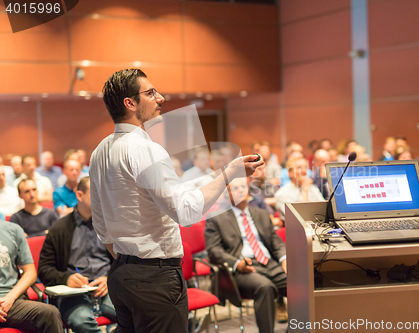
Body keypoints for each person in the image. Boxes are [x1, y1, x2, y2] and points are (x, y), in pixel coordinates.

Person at [89, 68, 263, 333]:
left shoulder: (100, 150)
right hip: (154, 278)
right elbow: (185, 211)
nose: (160, 98)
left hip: (122, 274)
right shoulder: (146, 149)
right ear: (130, 103)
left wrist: (130, 261)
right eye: (150, 93)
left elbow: (101, 225)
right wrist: (229, 173)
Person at [205, 177, 287, 333]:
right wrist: (237, 263)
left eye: (243, 186)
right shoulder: (217, 218)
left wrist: (284, 259)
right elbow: (214, 251)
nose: (241, 190)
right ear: (226, 194)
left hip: (268, 263)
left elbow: (275, 242)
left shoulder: (261, 214)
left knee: (301, 283)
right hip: (243, 268)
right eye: (235, 188)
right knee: (265, 287)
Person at [38, 177, 116, 333]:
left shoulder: (109, 225)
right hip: (73, 293)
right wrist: (66, 278)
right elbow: (44, 269)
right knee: (82, 322)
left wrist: (109, 278)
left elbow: (122, 260)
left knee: (138, 314)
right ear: (79, 196)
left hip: (107, 289)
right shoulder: (59, 229)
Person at [0, 218, 64, 332]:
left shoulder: (13, 230)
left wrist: (10, 298)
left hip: (11, 301)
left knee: (49, 313)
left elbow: (30, 272)